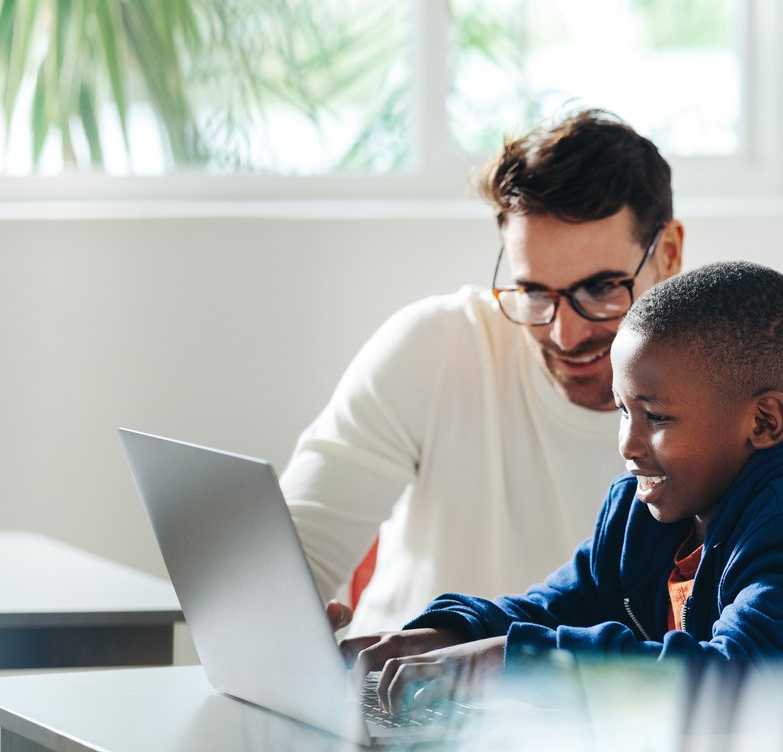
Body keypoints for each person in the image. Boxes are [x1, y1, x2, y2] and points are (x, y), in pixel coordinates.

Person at [342, 261, 783, 715]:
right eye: (624, 411)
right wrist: (452, 634)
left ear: (763, 422)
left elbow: (737, 680)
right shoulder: (640, 512)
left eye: (657, 417)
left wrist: (522, 663)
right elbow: (553, 608)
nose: (629, 444)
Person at [280, 109, 685, 635]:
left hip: (601, 712)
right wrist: (288, 628)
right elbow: (293, 555)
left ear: (670, 252)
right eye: (535, 292)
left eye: (602, 288)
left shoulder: (732, 403)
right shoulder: (439, 347)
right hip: (393, 697)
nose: (563, 334)